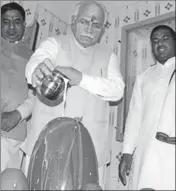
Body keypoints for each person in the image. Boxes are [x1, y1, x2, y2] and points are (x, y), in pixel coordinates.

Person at [24, 0, 124, 188]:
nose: (89, 29)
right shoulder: (54, 43)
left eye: (96, 25)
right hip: (46, 143)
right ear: (73, 21)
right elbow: (35, 63)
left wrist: (80, 79)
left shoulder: (109, 55)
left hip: (90, 147)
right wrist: (35, 71)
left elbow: (117, 90)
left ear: (103, 29)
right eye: (84, 22)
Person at [118, 25, 175, 190]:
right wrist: (127, 152)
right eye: (155, 41)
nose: (160, 44)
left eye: (165, 38)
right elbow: (134, 116)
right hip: (146, 150)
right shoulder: (143, 77)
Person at [1, 2, 34, 172]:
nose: (11, 27)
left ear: (24, 24)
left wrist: (18, 114)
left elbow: (36, 96)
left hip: (17, 134)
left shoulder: (33, 57)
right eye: (6, 21)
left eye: (16, 21)